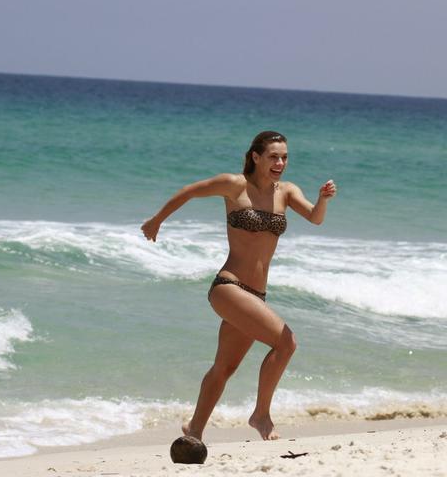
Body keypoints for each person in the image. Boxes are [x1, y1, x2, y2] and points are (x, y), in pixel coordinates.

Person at [141, 131, 336, 441]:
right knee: (286, 343)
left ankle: (193, 431)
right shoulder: (234, 185)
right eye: (273, 156)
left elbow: (315, 218)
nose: (280, 162)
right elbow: (190, 191)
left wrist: (323, 200)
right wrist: (157, 219)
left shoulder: (286, 191)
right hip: (229, 287)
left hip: (256, 294)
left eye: (284, 157)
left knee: (224, 368)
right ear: (256, 157)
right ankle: (261, 415)